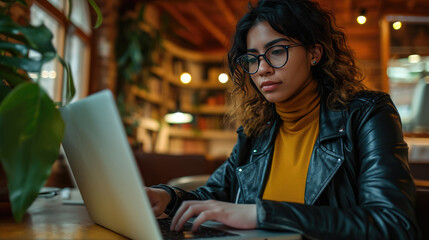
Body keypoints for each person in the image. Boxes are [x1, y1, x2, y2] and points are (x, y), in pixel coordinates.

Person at [146, 0, 420, 239]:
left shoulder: (367, 115)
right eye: (252, 59)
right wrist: (166, 197)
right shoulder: (255, 132)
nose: (262, 69)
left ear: (314, 52)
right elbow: (214, 196)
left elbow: (393, 225)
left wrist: (262, 214)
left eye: (276, 51)